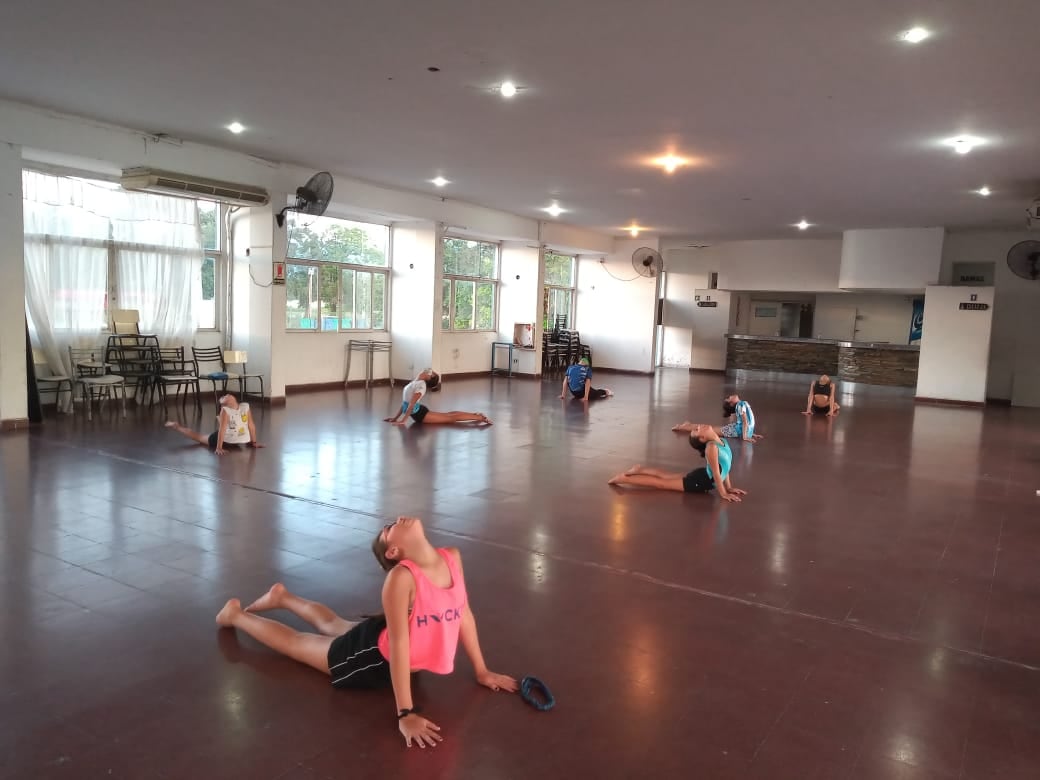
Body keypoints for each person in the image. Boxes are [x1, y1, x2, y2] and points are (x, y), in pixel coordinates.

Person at [215, 516, 518, 748]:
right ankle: (236, 615)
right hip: (373, 657)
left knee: (334, 625)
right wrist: (405, 713)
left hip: (381, 633)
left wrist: (482, 670)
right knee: (299, 643)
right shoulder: (401, 578)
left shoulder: (452, 557)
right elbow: (399, 645)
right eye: (390, 527)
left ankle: (283, 597)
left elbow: (464, 613)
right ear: (394, 552)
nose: (398, 520)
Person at [608, 423, 746, 502]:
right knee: (662, 483)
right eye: (697, 430)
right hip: (700, 482)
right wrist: (723, 493)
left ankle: (638, 470)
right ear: (703, 438)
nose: (699, 426)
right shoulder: (712, 448)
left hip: (701, 475)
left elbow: (725, 468)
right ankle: (623, 478)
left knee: (667, 476)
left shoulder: (723, 442)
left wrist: (729, 487)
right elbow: (716, 473)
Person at [384, 369, 492, 426]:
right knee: (449, 415)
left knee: (450, 418)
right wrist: (395, 418)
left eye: (431, 373)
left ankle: (480, 418)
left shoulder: (421, 386)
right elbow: (405, 402)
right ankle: (475, 415)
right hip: (419, 412)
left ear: (428, 377)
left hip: (421, 415)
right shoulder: (415, 382)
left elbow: (411, 404)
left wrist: (403, 421)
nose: (428, 371)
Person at [164, 393, 263, 455]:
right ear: (225, 404)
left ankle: (219, 420)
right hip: (220, 439)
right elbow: (222, 429)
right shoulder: (226, 410)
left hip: (233, 440)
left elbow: (251, 425)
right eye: (223, 397)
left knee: (227, 427)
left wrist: (253, 442)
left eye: (226, 395)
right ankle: (177, 426)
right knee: (199, 437)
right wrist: (219, 447)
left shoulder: (245, 407)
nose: (226, 395)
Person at [672, 394, 763, 442]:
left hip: (736, 429)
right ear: (732, 403)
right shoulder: (740, 405)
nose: (730, 396)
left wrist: (751, 433)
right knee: (707, 429)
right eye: (729, 398)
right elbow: (745, 422)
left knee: (708, 428)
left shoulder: (742, 403)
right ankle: (682, 427)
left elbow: (749, 422)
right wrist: (745, 437)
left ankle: (688, 425)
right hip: (735, 430)